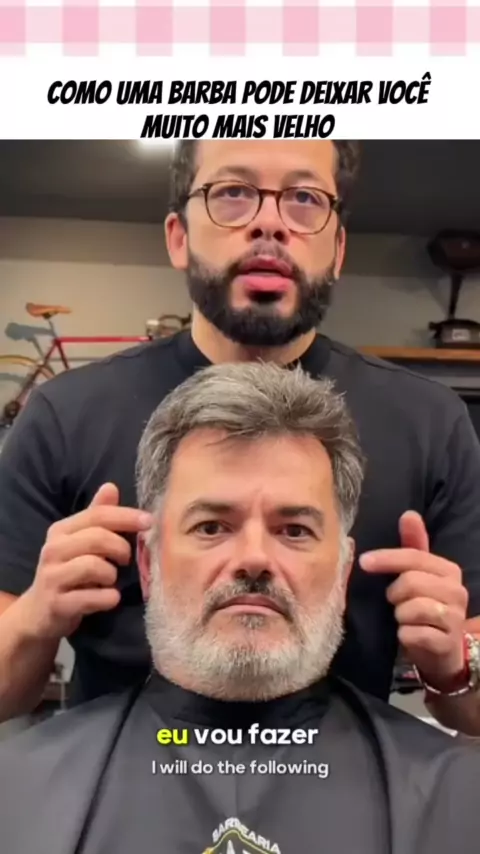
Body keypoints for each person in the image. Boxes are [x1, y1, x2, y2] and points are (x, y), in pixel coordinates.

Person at [0, 139, 480, 735]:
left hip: (353, 788)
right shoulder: (64, 416)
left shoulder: (430, 424)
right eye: (232, 193)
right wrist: (35, 620)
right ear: (179, 236)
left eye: (305, 198)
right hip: (118, 788)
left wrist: (453, 665)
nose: (270, 223)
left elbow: (472, 708)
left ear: (338, 248)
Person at [1, 362, 480, 854]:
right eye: (212, 527)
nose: (254, 558)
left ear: (342, 573)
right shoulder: (17, 793)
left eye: (294, 530)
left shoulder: (457, 796)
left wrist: (457, 669)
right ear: (147, 563)